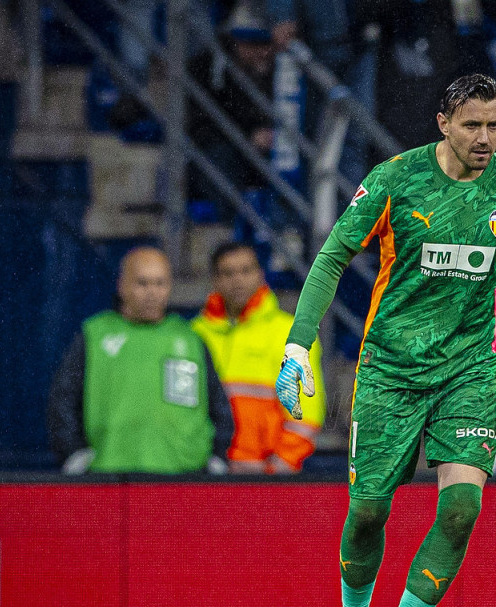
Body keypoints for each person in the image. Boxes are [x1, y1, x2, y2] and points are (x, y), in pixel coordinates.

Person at [275, 74, 496, 607]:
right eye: (473, 125)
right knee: (368, 512)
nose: (485, 138)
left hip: (468, 370)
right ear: (444, 123)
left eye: (495, 125)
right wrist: (299, 345)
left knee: (461, 509)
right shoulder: (395, 180)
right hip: (389, 370)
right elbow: (332, 257)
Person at [47, 246, 234, 474]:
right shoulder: (95, 335)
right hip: (110, 473)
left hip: (183, 474)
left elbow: (218, 406)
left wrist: (217, 456)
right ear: (122, 285)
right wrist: (73, 453)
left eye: (160, 283)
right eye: (142, 283)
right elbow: (63, 400)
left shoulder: (189, 339)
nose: (152, 292)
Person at [192, 242, 324, 473]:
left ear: (261, 274)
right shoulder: (195, 333)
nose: (238, 280)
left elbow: (306, 416)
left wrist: (276, 471)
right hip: (205, 471)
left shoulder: (290, 333)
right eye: (228, 273)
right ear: (215, 280)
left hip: (264, 474)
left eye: (246, 271)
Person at [186, 9, 278, 219]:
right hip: (218, 150)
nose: (263, 51)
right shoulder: (207, 66)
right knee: (221, 159)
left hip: (261, 153)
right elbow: (201, 126)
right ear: (237, 42)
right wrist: (248, 136)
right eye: (253, 44)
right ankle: (231, 227)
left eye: (266, 44)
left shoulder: (275, 68)